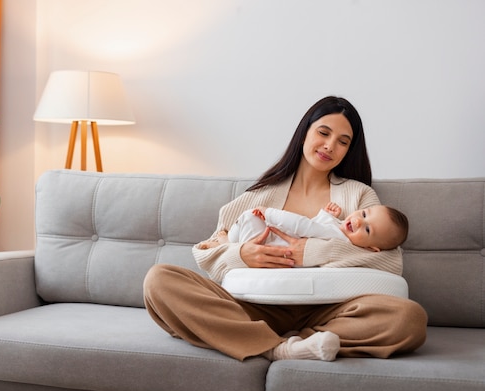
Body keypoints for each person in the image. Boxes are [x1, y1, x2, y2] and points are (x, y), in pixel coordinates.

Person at [143, 96, 427, 362]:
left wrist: (313, 252)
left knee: (409, 318)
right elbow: (210, 253)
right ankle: (279, 349)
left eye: (343, 141)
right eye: (323, 133)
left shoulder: (358, 196)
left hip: (331, 307)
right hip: (257, 305)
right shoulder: (260, 195)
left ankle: (294, 342)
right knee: (159, 280)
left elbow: (389, 261)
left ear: (349, 150)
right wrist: (242, 254)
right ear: (305, 132)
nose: (330, 146)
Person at [197, 201, 409, 253]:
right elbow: (317, 226)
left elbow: (304, 226)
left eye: (368, 230)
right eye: (363, 213)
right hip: (265, 246)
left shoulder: (339, 238)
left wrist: (269, 212)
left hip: (269, 243)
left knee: (249, 217)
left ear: (373, 249)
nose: (360, 221)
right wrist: (326, 215)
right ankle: (230, 246)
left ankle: (227, 244)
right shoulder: (338, 229)